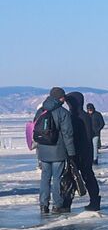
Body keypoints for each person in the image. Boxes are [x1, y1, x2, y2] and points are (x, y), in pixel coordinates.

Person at [32, 87, 75, 216]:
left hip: (43, 151)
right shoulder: (63, 112)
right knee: (57, 178)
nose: (64, 99)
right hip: (58, 151)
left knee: (45, 178)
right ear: (59, 98)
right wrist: (71, 153)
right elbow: (68, 134)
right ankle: (57, 205)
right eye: (63, 97)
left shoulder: (41, 111)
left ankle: (43, 205)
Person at [59, 91, 100, 211]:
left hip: (80, 152)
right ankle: (70, 202)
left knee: (81, 176)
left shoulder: (79, 117)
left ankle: (92, 201)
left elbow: (82, 136)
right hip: (82, 152)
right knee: (77, 177)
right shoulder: (79, 116)